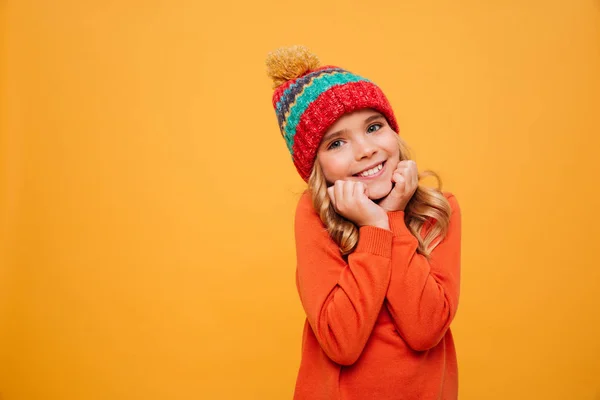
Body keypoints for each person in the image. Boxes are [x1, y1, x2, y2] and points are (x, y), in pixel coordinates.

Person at [266, 45, 462, 400]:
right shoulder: (315, 216)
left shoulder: (438, 210)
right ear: (318, 168)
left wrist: (392, 218)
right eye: (337, 143)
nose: (365, 150)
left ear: (394, 131)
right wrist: (374, 229)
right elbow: (341, 343)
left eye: (374, 127)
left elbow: (425, 329)